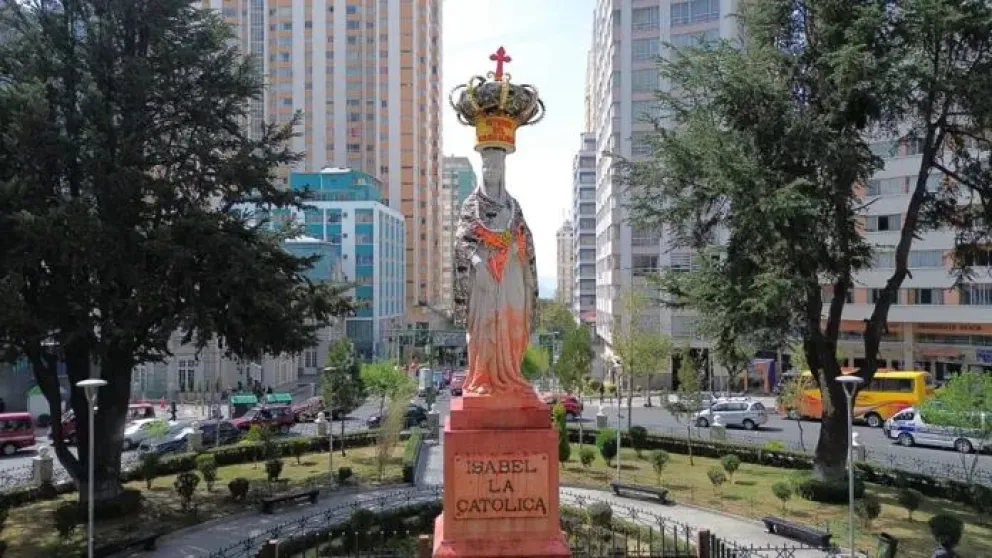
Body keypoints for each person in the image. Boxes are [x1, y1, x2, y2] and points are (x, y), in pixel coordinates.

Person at [452, 147, 538, 396]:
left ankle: (512, 374)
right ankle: (484, 377)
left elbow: (526, 239)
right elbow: (461, 240)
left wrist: (517, 249)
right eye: (487, 167)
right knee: (485, 327)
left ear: (503, 171)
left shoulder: (513, 206)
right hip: (485, 277)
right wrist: (478, 261)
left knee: (513, 325)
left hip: (512, 272)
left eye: (496, 167)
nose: (491, 172)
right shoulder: (472, 205)